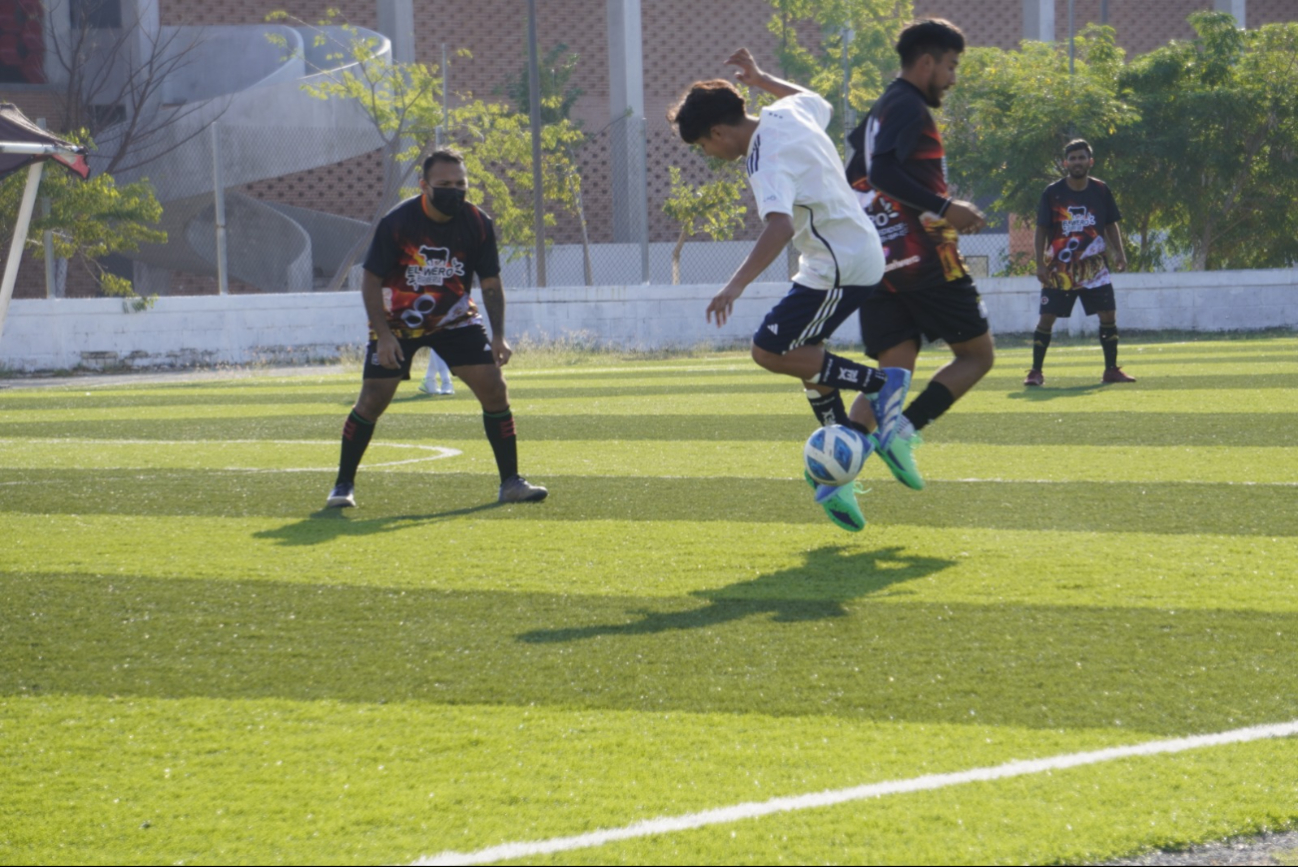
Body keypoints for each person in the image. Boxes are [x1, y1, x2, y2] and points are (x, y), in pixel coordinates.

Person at [667, 48, 910, 533]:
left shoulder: (762, 160)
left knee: (769, 350)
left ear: (717, 132)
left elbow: (778, 225)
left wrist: (734, 284)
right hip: (837, 257)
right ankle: (837, 475)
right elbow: (813, 99)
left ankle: (885, 388)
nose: (708, 155)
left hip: (839, 264)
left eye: (702, 146)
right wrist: (762, 80)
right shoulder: (784, 111)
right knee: (806, 357)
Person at [325, 148, 547, 508]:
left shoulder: (478, 222)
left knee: (494, 388)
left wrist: (499, 335)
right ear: (424, 185)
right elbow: (370, 280)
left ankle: (511, 483)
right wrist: (382, 335)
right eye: (444, 184)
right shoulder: (398, 223)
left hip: (454, 318)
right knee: (372, 400)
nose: (454, 190)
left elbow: (490, 282)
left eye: (461, 184)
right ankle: (342, 485)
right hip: (397, 322)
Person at [844, 17, 995, 491]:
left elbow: (857, 175)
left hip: (880, 262)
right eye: (950, 66)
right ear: (926, 62)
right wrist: (945, 207)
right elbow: (884, 174)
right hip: (925, 258)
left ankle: (835, 471)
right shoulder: (908, 107)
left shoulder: (879, 111)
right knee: (976, 356)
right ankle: (902, 434)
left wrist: (877, 231)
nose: (952, 78)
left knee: (892, 374)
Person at [1025, 139, 1134, 386]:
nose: (1077, 162)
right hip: (1059, 268)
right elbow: (1041, 228)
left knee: (1108, 314)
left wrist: (1120, 252)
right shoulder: (1052, 192)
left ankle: (1111, 370)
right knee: (1047, 317)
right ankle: (1035, 372)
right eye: (1072, 158)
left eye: (1081, 157)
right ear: (1066, 163)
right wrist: (1040, 264)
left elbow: (1110, 224)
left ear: (1090, 161)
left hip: (1094, 266)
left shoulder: (1101, 190)